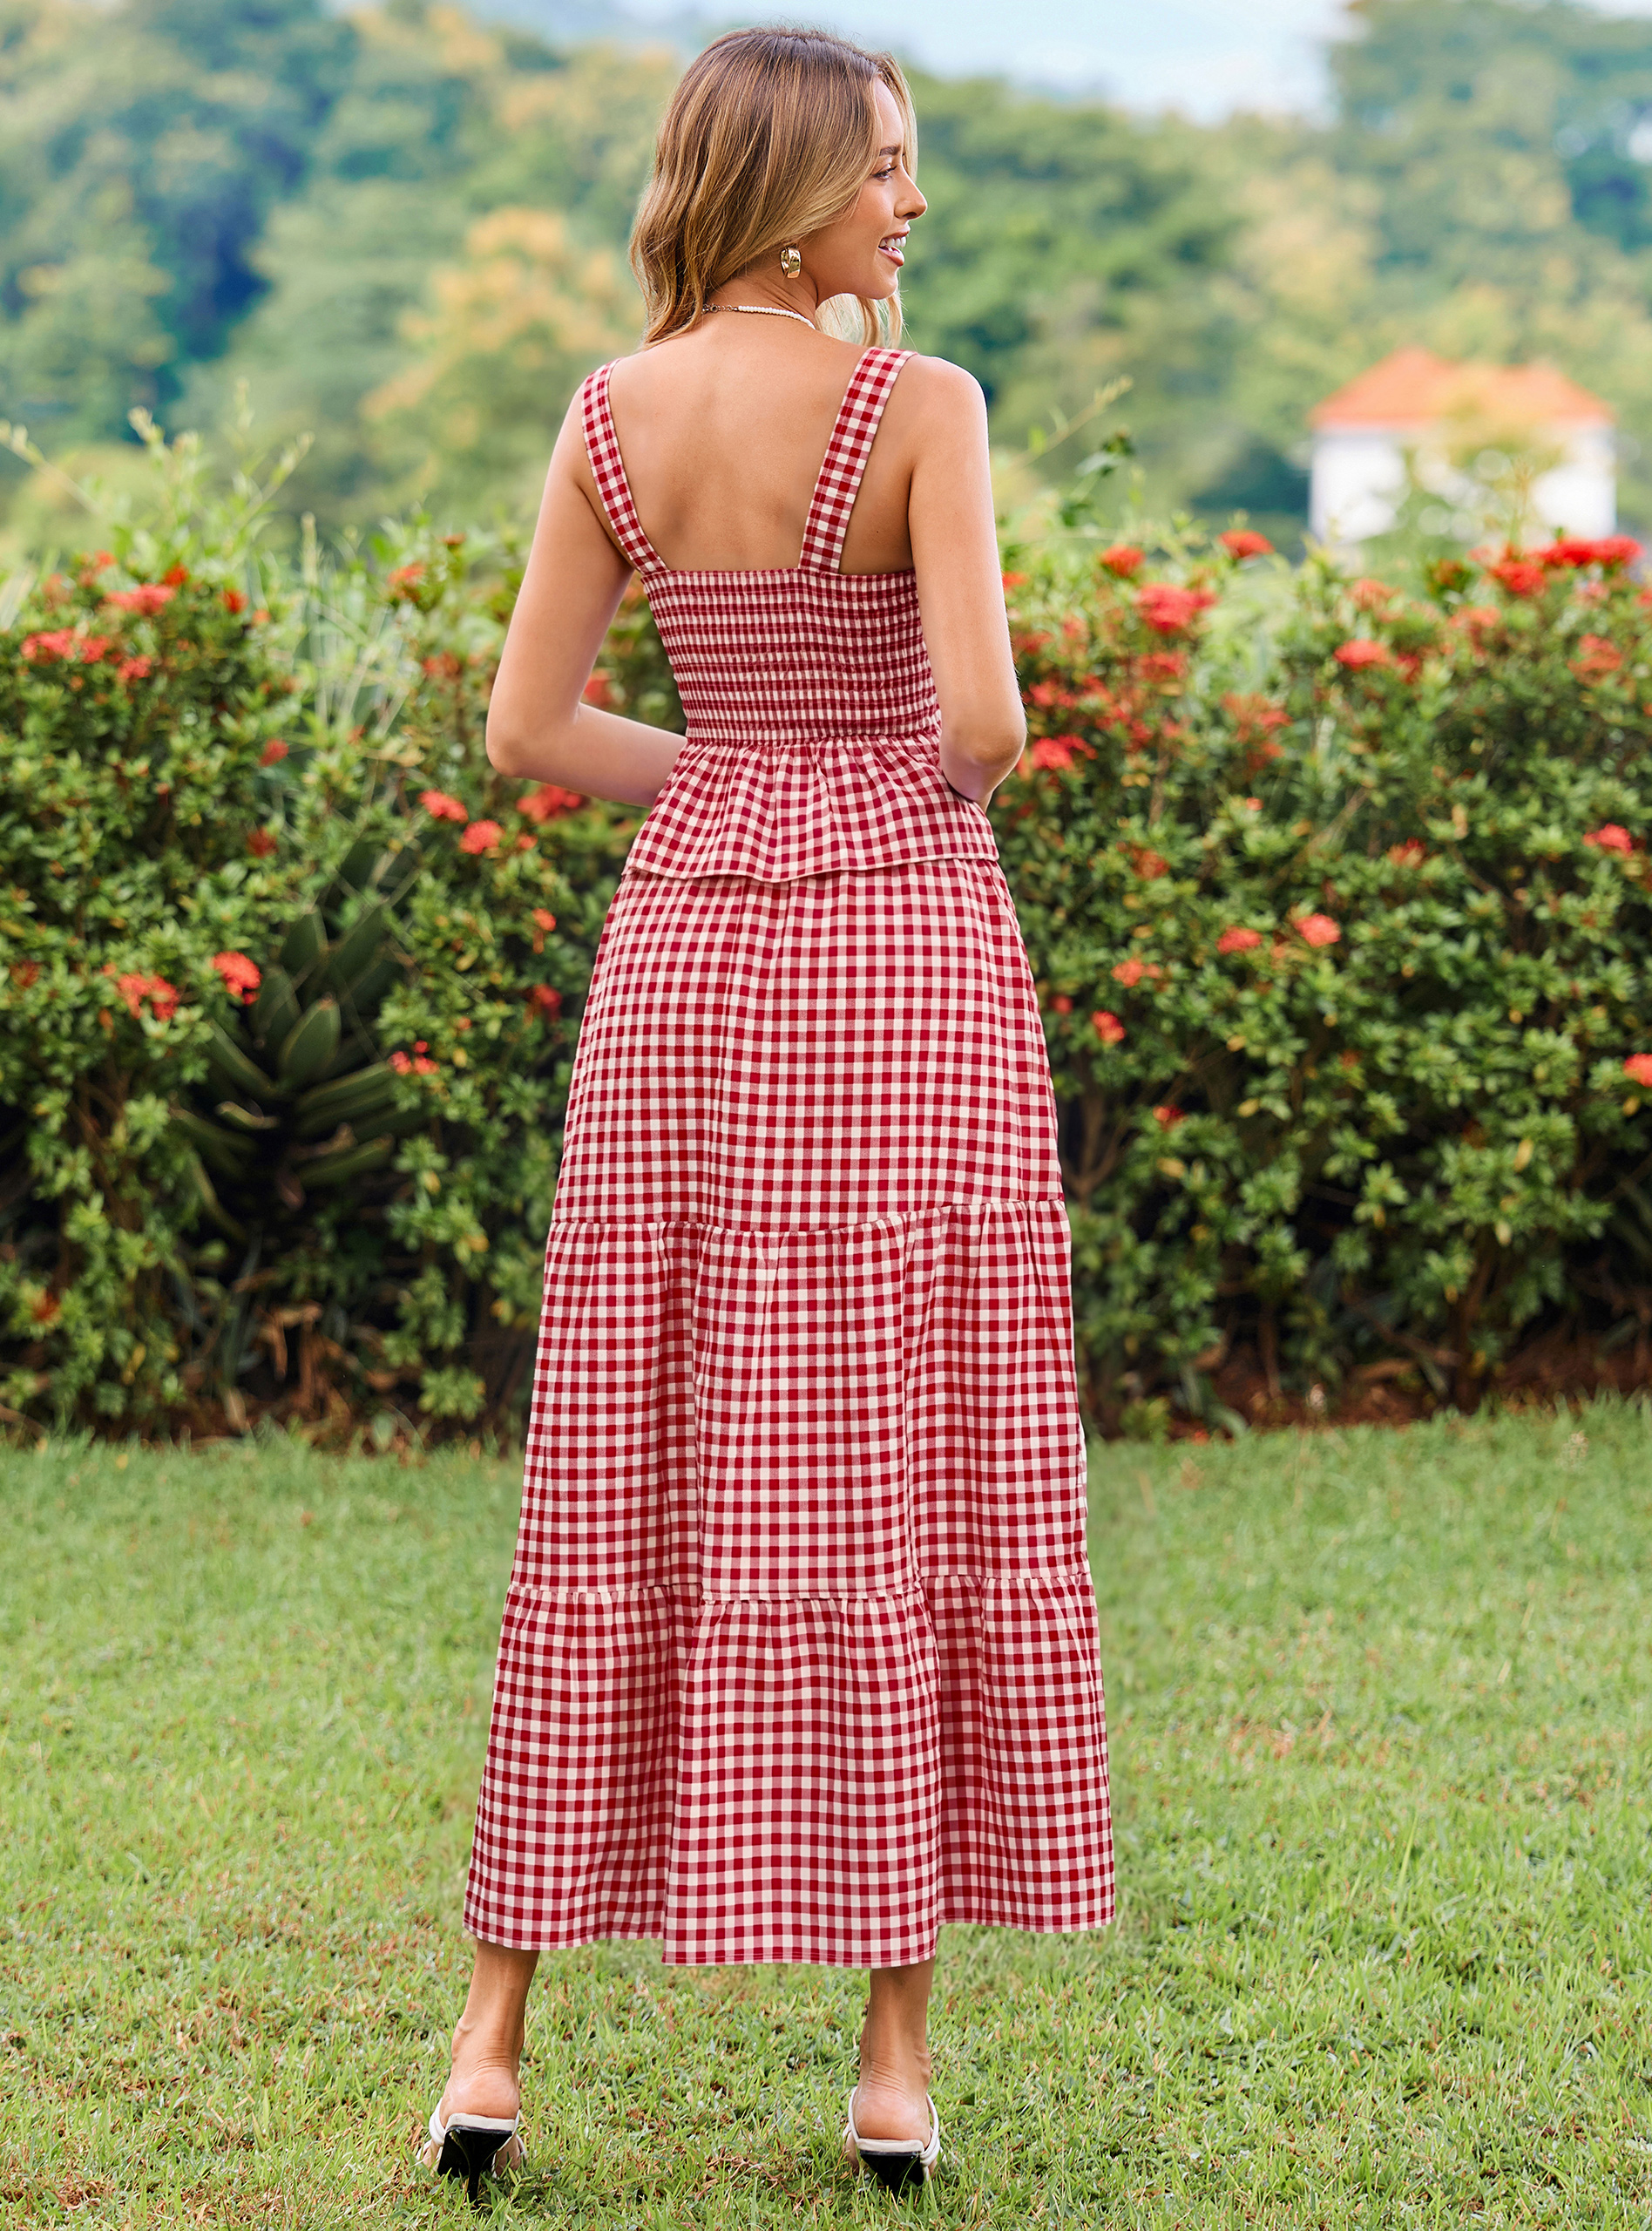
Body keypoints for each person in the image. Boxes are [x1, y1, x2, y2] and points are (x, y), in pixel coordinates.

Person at [419, 24, 1114, 2200]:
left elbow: (533, 724)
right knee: (897, 1430)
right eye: (888, 170)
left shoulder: (610, 415)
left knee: (635, 1429)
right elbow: (985, 726)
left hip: (690, 969)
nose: (910, 207)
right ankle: (891, 2055)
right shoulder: (923, 409)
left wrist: (730, 772)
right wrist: (844, 768)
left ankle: (493, 2035)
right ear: (801, 177)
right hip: (899, 956)